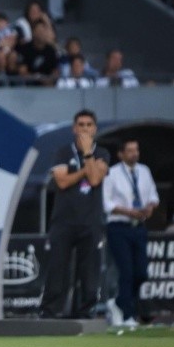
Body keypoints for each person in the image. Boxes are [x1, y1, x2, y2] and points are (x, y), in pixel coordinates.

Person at [39, 110, 109, 320]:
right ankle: (49, 313)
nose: (85, 128)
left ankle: (86, 313)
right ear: (74, 128)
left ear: (95, 129)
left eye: (89, 125)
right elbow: (62, 182)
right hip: (64, 221)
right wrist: (86, 169)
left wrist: (88, 154)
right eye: (81, 124)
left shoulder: (103, 153)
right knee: (57, 269)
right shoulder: (62, 152)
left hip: (90, 221)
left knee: (89, 271)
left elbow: (96, 180)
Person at [102, 139, 159, 327]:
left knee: (141, 272)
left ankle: (119, 303)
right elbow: (106, 203)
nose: (134, 153)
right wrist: (127, 211)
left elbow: (153, 196)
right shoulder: (112, 173)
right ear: (121, 154)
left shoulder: (145, 171)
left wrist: (149, 208)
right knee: (126, 271)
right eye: (130, 150)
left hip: (139, 226)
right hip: (119, 227)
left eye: (136, 149)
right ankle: (127, 314)